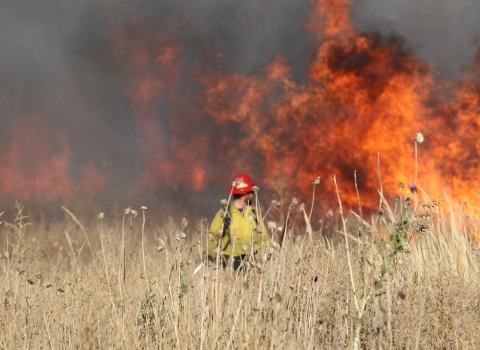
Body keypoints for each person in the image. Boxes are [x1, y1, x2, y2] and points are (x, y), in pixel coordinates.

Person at [206, 173, 271, 270]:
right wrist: (210, 256)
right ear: (245, 194)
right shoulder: (224, 213)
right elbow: (212, 237)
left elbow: (263, 237)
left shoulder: (253, 212)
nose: (253, 194)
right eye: (251, 191)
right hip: (229, 263)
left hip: (252, 261)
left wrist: (268, 253)